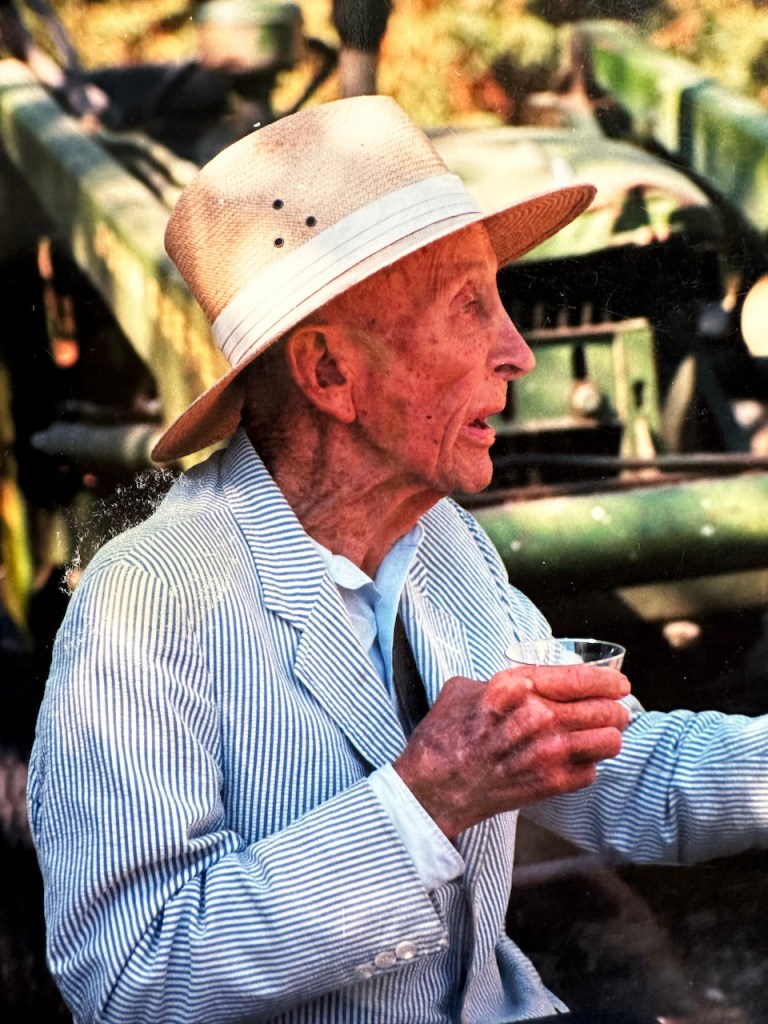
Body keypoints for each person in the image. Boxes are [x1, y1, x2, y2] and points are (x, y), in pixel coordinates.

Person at [27, 95, 768, 1024]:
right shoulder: (149, 606)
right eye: (469, 307)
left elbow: (618, 772)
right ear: (329, 373)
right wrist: (423, 801)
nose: (518, 353)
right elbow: (130, 979)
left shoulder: (443, 543)